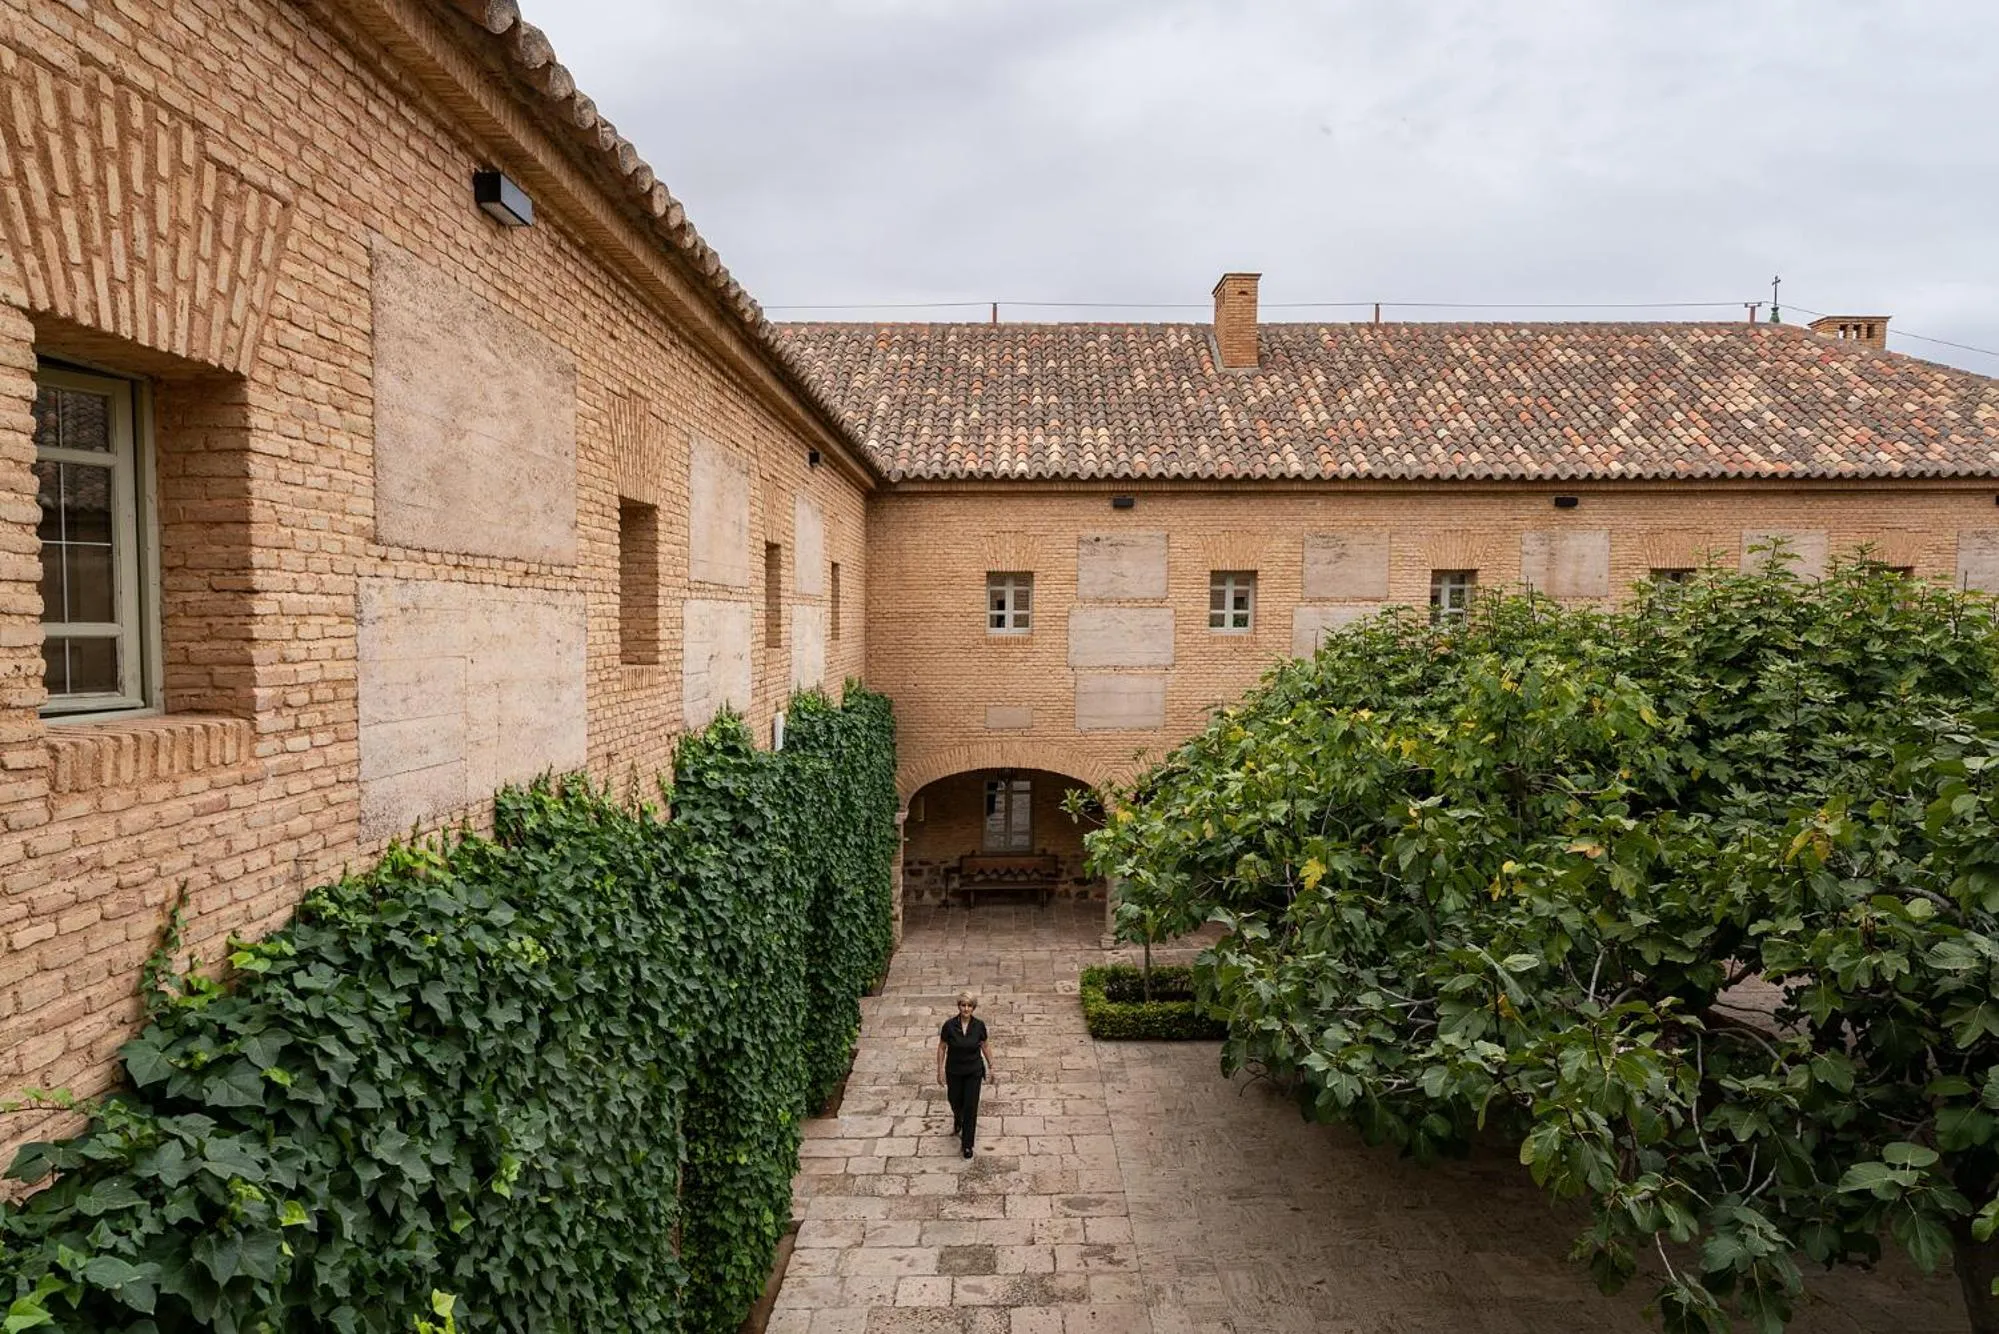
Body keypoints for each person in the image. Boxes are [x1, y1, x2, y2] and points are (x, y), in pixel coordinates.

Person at [936, 990, 997, 1158]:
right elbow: (942, 1047)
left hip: (973, 1071)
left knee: (970, 1106)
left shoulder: (979, 1026)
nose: (966, 1009)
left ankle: (967, 1144)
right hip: (954, 1071)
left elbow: (984, 1045)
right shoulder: (949, 1026)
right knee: (955, 1100)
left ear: (973, 1008)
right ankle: (958, 1117)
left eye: (969, 1006)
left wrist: (992, 1065)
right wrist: (939, 1069)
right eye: (963, 1005)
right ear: (959, 1006)